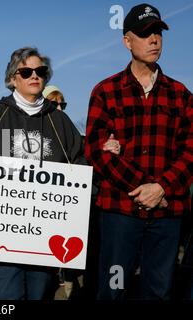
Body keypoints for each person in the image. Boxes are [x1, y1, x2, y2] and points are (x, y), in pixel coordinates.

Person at [85, 3, 193, 300]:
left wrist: (161, 187)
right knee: (113, 289)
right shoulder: (105, 91)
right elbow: (95, 150)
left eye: (158, 32)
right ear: (127, 41)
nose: (154, 39)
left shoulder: (181, 94)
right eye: (145, 33)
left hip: (167, 214)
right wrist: (143, 186)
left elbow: (190, 150)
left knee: (159, 291)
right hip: (120, 212)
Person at [0, 47, 85, 300]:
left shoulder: (60, 121)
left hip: (45, 233)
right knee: (5, 298)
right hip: (3, 233)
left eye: (40, 71)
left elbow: (80, 167)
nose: (35, 76)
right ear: (13, 78)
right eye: (26, 71)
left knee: (40, 295)